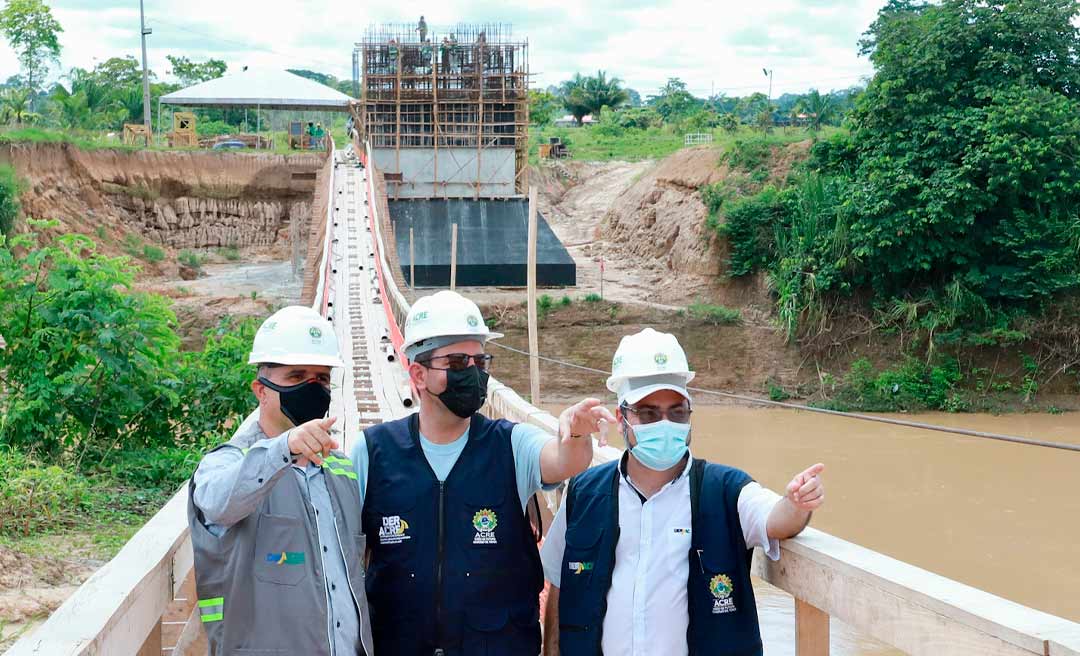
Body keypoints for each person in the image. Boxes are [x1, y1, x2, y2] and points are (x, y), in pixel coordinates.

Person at [351, 290, 615, 656]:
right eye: (458, 362)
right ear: (418, 374)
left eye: (480, 360)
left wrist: (577, 433)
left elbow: (563, 460)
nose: (473, 372)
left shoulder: (510, 444)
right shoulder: (373, 452)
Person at [540, 328, 826, 656]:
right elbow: (559, 586)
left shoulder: (725, 490)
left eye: (676, 412)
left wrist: (797, 503)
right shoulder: (584, 494)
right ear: (621, 418)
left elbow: (777, 520)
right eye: (648, 412)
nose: (665, 423)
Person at [188, 306, 374, 656]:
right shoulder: (228, 463)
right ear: (261, 391)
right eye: (296, 376)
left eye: (321, 379)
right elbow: (218, 502)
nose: (312, 388)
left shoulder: (341, 469)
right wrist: (284, 448)